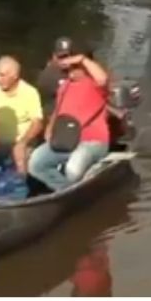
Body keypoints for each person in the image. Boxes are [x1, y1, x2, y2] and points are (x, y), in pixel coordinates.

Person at [27, 37, 110, 191]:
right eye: (67, 68)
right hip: (66, 141)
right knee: (35, 164)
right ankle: (67, 190)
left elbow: (103, 79)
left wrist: (82, 59)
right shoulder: (64, 87)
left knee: (72, 170)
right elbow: (58, 112)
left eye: (73, 66)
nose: (69, 70)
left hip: (92, 141)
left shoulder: (94, 84)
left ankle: (74, 190)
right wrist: (50, 129)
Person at [0, 55, 43, 173]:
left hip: (20, 140)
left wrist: (23, 142)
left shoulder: (29, 92)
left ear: (15, 76)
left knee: (20, 153)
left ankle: (22, 186)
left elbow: (38, 123)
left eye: (3, 75)